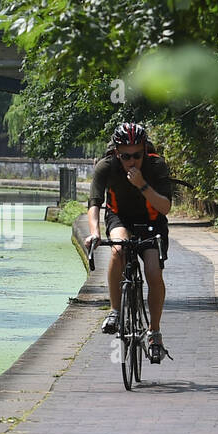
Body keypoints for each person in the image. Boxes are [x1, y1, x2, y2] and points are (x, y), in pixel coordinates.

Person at [83, 122, 174, 363]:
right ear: (116, 153)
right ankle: (115, 311)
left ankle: (155, 334)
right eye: (125, 156)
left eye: (137, 155)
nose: (131, 161)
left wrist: (142, 184)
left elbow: (165, 207)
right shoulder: (106, 167)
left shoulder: (156, 166)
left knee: (153, 271)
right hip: (119, 217)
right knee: (118, 252)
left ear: (145, 150)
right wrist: (94, 232)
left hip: (152, 221)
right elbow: (94, 203)